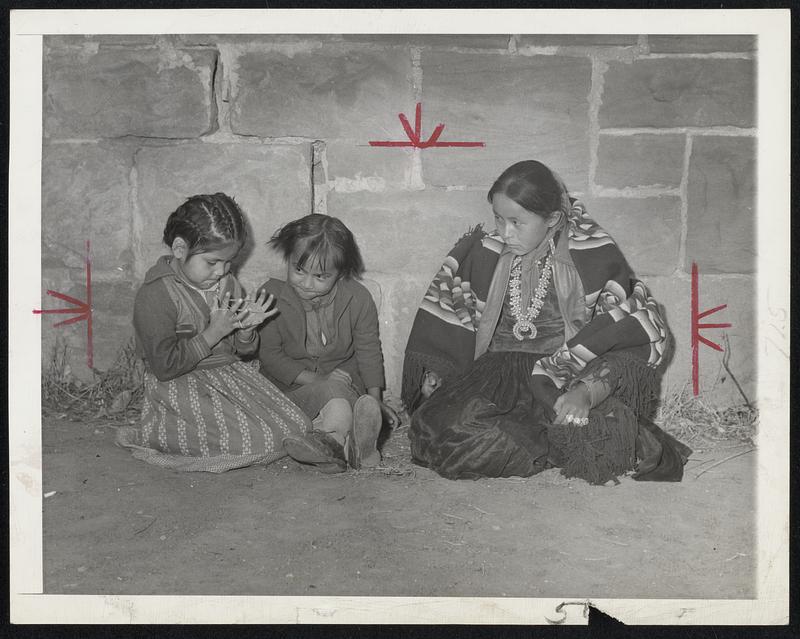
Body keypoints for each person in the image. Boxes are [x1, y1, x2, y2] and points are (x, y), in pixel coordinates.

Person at [402, 160, 691, 484]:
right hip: (493, 377)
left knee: (597, 432)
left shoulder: (589, 259)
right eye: (498, 218)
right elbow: (455, 317)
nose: (505, 232)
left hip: (558, 374)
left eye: (516, 222)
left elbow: (622, 332)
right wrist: (440, 374)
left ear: (552, 219)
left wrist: (585, 392)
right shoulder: (485, 253)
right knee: (437, 428)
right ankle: (540, 442)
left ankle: (547, 438)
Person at [117, 193, 310, 472]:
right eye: (212, 262)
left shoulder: (227, 284)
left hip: (228, 378)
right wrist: (211, 333)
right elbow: (164, 367)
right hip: (179, 387)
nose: (221, 271)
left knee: (298, 424)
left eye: (228, 262)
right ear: (180, 249)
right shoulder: (156, 294)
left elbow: (239, 352)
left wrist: (246, 332)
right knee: (262, 441)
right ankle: (163, 433)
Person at [257, 214, 399, 473]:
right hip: (291, 393)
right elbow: (269, 355)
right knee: (334, 398)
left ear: (340, 273)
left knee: (340, 405)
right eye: (298, 270)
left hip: (344, 390)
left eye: (320, 276)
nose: (306, 283)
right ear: (288, 258)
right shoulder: (270, 295)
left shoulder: (358, 298)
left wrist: (375, 398)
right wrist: (317, 381)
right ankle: (343, 444)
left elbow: (368, 349)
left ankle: (340, 447)